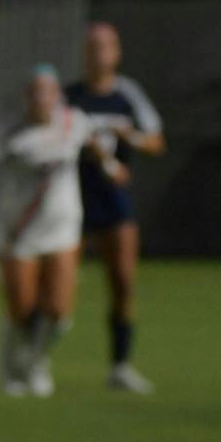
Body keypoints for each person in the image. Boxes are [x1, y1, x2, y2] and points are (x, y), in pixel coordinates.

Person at [0, 66, 121, 397]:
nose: (41, 98)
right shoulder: (9, 131)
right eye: (35, 92)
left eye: (47, 91)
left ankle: (35, 362)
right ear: (27, 97)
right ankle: (11, 362)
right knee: (22, 309)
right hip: (18, 230)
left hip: (63, 229)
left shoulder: (72, 121)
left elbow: (94, 143)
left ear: (57, 95)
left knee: (59, 312)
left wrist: (110, 166)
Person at [66, 22, 166, 394]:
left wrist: (131, 138)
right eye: (92, 46)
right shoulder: (70, 96)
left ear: (117, 52)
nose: (98, 53)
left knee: (123, 282)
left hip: (113, 198)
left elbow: (156, 142)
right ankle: (35, 359)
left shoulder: (127, 95)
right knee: (58, 291)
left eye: (105, 46)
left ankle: (121, 366)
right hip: (71, 198)